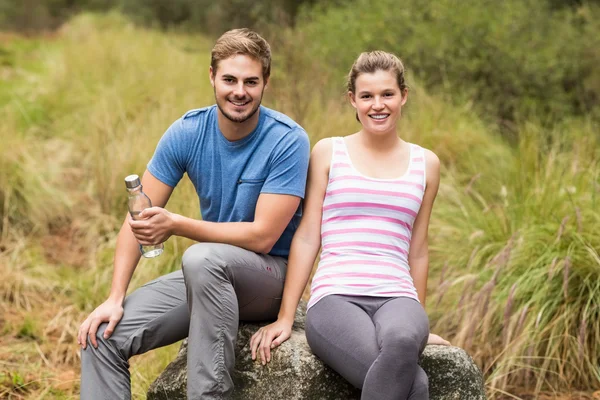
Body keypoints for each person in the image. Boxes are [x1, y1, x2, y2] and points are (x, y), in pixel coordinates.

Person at [77, 28, 310, 400]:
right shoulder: (188, 131)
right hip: (208, 276)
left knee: (200, 258)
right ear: (212, 77)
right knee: (100, 337)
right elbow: (139, 215)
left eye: (251, 81)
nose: (239, 91)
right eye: (229, 79)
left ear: (266, 82)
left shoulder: (287, 140)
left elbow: (264, 236)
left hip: (267, 278)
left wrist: (178, 225)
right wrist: (115, 295)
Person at [250, 51, 449, 399]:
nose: (378, 105)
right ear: (352, 100)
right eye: (367, 96)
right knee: (414, 384)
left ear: (404, 96)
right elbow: (308, 236)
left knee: (402, 340)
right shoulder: (328, 153)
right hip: (335, 297)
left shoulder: (426, 163)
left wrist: (419, 324)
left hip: (397, 296)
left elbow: (418, 248)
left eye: (387, 94)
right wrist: (285, 316)